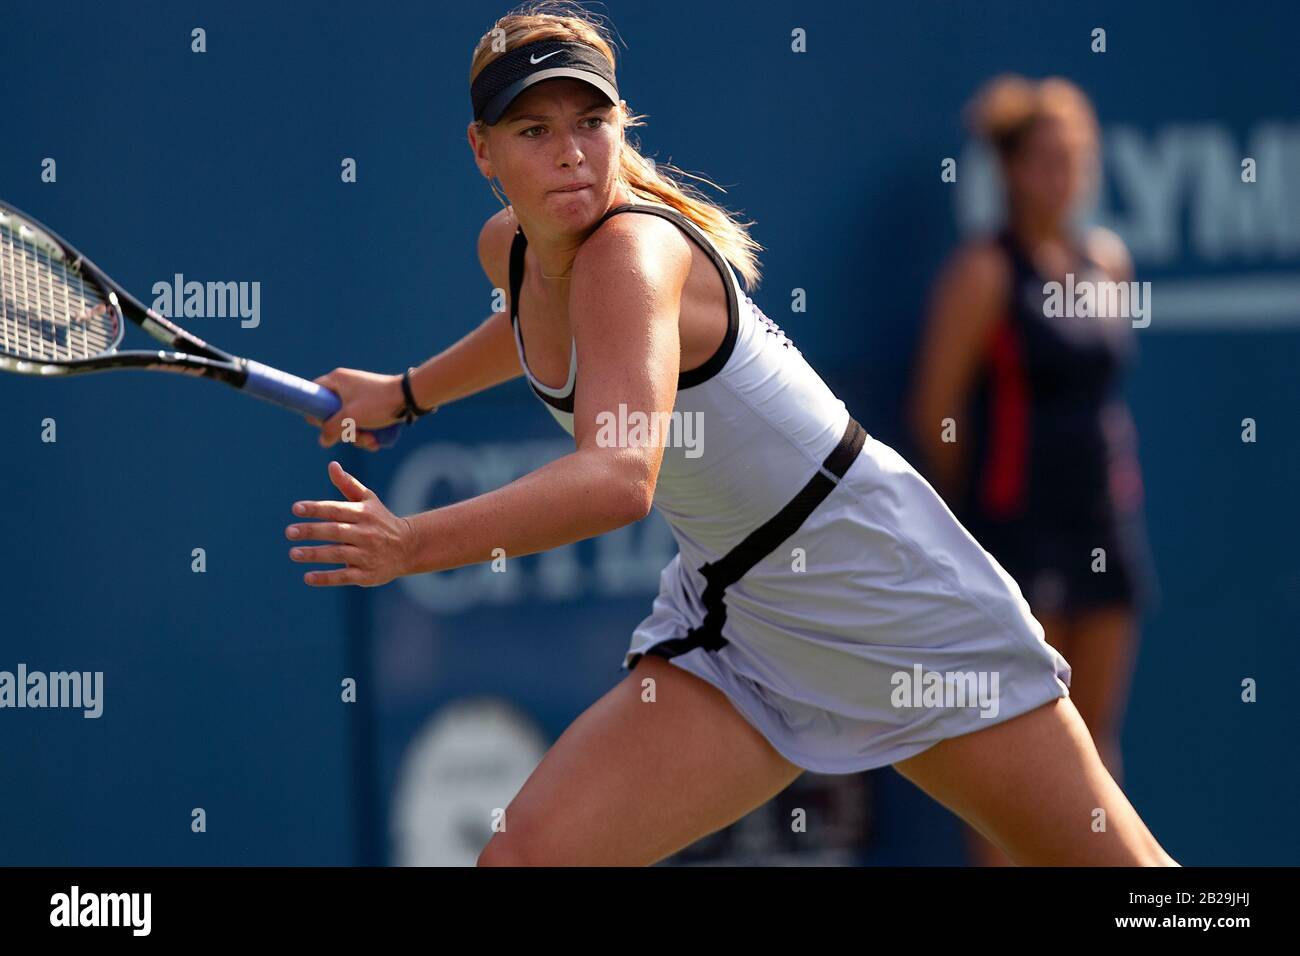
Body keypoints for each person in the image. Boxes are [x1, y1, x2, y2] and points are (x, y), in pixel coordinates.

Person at [287, 4, 1177, 867]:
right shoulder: (513, 249)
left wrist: (410, 545)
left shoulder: (630, 255)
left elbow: (615, 480)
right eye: (531, 132)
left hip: (885, 592)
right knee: (527, 857)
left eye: (590, 121)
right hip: (740, 619)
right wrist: (408, 392)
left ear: (620, 126)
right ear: (483, 153)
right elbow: (532, 323)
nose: (568, 153)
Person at [910, 74, 1160, 865]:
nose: (1064, 175)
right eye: (1047, 159)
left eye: (1077, 158)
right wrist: (984, 517)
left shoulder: (1108, 262)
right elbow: (936, 412)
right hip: (1017, 536)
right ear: (1011, 170)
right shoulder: (984, 272)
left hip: (1106, 526)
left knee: (1095, 747)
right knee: (1017, 758)